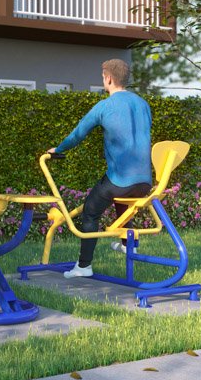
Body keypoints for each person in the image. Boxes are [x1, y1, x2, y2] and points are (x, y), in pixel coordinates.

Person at [47, 59, 152, 278]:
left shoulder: (104, 106)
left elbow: (78, 134)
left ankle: (84, 266)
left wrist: (58, 149)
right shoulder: (143, 104)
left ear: (109, 78)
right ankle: (128, 244)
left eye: (103, 77)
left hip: (119, 181)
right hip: (144, 182)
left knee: (90, 211)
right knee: (124, 198)